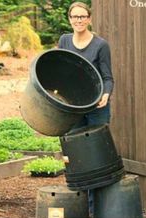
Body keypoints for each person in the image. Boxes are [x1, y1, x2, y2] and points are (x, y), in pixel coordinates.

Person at [58, 1, 114, 129]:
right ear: (69, 19)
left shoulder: (101, 45)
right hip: (72, 104)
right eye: (75, 17)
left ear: (89, 19)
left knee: (97, 145)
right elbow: (59, 72)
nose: (79, 20)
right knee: (75, 144)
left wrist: (106, 94)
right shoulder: (64, 40)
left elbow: (108, 78)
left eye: (82, 17)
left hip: (97, 105)